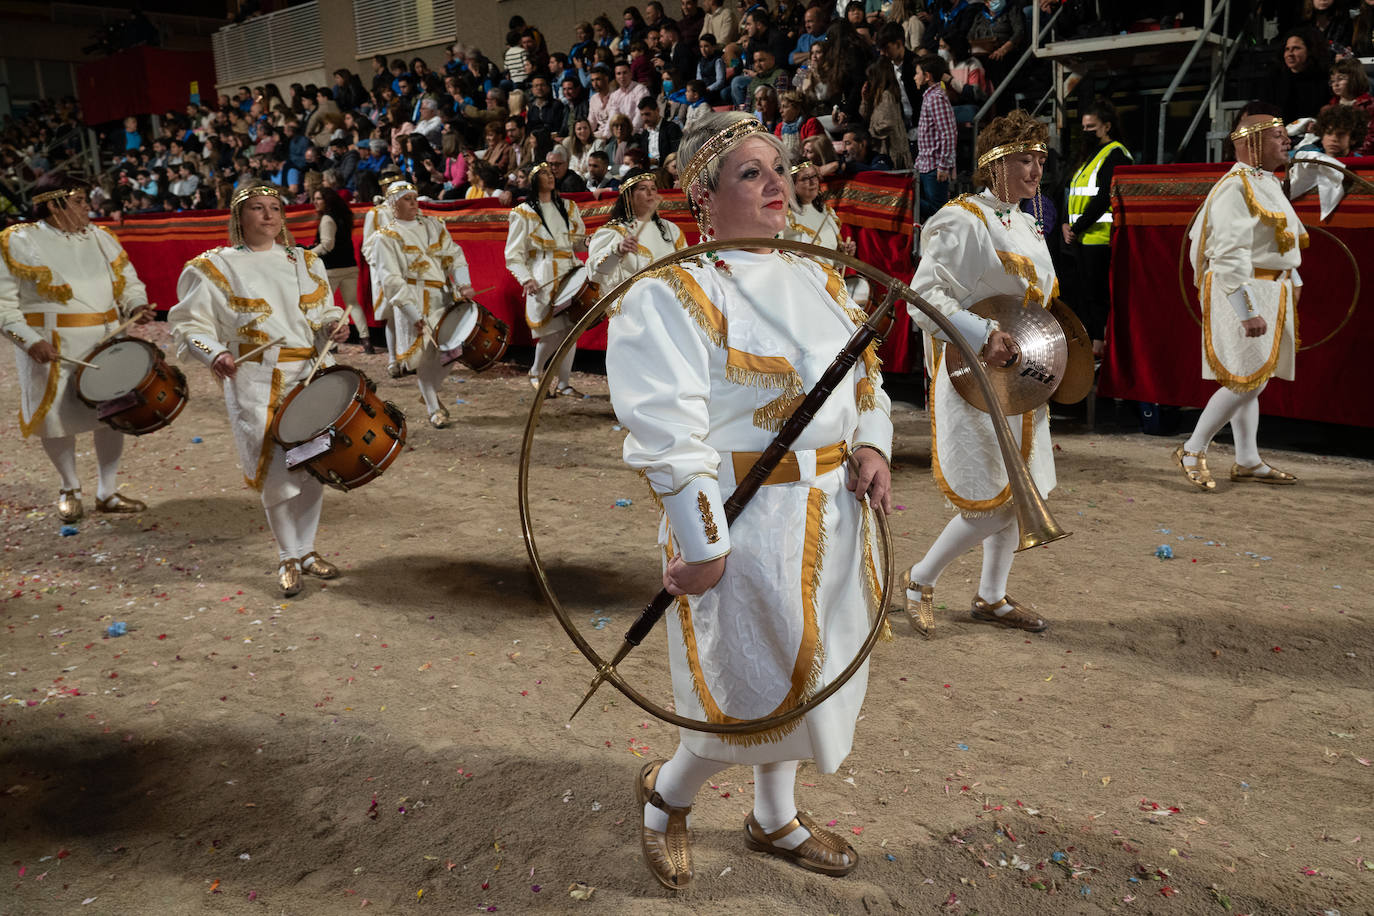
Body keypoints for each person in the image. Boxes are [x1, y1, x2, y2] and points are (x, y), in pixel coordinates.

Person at [606, 111, 893, 891]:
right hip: (746, 521)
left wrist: (870, 443)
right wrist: (703, 547)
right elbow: (668, 433)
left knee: (813, 674)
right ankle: (665, 800)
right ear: (703, 195)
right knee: (748, 688)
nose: (778, 184)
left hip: (834, 514)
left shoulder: (818, 274)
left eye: (779, 168)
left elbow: (862, 376)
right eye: (751, 173)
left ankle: (773, 819)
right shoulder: (672, 292)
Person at [903, 110, 1057, 637]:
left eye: (1040, 160)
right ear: (993, 164)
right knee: (991, 493)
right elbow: (922, 299)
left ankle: (990, 596)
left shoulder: (1025, 222)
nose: (1035, 171)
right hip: (973, 373)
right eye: (1023, 159)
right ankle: (920, 579)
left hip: (1023, 371)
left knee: (1018, 488)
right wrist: (982, 333)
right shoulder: (963, 218)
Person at [168, 183, 350, 596]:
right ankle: (287, 555)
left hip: (312, 372)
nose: (269, 216)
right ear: (239, 217)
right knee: (276, 471)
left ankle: (306, 550)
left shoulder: (305, 261)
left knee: (315, 464)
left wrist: (333, 324)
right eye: (257, 209)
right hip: (256, 380)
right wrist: (213, 353)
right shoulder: (214, 266)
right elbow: (187, 324)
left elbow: (323, 312)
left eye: (275, 208)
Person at [0, 177, 155, 522]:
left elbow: (128, 281)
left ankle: (107, 491)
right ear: (54, 204)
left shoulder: (101, 237)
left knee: (112, 416)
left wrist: (135, 305)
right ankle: (69, 486)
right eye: (81, 200)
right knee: (57, 418)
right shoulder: (19, 240)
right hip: (52, 345)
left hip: (105, 340)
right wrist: (28, 340)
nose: (89, 207)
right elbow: (3, 303)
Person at [1175, 104, 1304, 491]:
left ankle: (1246, 459)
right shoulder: (1236, 186)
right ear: (1250, 142)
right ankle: (1192, 449)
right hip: (1243, 288)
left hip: (1271, 289)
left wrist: (1292, 282)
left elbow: (1279, 243)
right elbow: (1228, 252)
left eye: (1285, 135)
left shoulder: (1268, 181)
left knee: (1255, 377)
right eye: (1277, 136)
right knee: (1244, 379)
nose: (1286, 141)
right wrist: (1246, 310)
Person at [363, 181, 477, 428]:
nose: (414, 203)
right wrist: (412, 313)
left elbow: (454, 255)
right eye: (407, 199)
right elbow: (391, 280)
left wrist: (463, 284)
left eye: (415, 197)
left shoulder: (434, 225)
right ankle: (434, 408)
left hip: (442, 295)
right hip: (413, 298)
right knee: (425, 356)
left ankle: (429, 391)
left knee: (452, 349)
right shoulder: (386, 237)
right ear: (394, 205)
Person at [504, 162, 588, 397]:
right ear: (533, 180)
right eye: (543, 173)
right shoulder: (523, 213)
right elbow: (513, 254)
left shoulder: (569, 207)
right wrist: (526, 278)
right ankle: (536, 371)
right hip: (543, 275)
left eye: (551, 172)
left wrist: (587, 242)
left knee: (571, 329)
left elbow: (577, 241)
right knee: (550, 331)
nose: (549, 176)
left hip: (571, 271)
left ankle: (563, 382)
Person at [1063, 100, 1132, 357]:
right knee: (1086, 295)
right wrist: (1066, 224)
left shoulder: (1115, 154)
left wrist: (1077, 226)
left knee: (1099, 296)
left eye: (1091, 126)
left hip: (1100, 238)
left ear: (1107, 126)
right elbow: (1074, 192)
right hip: (1082, 237)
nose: (1086, 131)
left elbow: (1104, 198)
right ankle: (1094, 343)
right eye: (1083, 126)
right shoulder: (1090, 155)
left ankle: (1101, 346)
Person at [587, 170, 686, 291]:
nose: (650, 193)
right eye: (643, 188)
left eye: (653, 188)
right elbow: (595, 273)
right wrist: (617, 251)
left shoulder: (671, 229)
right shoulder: (613, 231)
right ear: (628, 197)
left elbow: (685, 264)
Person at [310, 187, 373, 353]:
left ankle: (333, 344)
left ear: (327, 200)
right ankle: (366, 341)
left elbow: (327, 245)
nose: (315, 202)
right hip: (350, 266)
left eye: (318, 199)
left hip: (332, 268)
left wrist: (307, 254)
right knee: (353, 304)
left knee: (327, 306)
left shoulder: (327, 219)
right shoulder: (344, 216)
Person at [783, 160, 856, 267]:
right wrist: (796, 257)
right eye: (805, 179)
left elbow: (833, 263)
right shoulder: (785, 216)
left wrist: (845, 254)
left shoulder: (827, 212)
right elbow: (774, 255)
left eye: (814, 176)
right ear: (792, 185)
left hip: (828, 279)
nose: (813, 182)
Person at [914, 54, 956, 220]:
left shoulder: (936, 98)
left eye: (917, 72)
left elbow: (948, 133)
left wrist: (944, 165)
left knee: (938, 213)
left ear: (927, 76)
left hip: (934, 167)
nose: (915, 76)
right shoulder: (930, 96)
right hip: (925, 164)